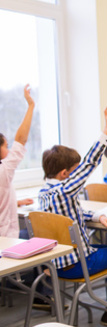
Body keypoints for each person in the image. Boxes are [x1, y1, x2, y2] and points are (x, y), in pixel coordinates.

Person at [38, 106, 107, 326]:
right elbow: (89, 163)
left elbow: (69, 214)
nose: (79, 174)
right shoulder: (65, 189)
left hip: (54, 264)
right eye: (74, 171)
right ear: (66, 174)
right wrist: (106, 129)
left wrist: (97, 216)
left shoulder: (45, 193)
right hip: (76, 263)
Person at [0, 84, 35, 238]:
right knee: (37, 232)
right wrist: (31, 106)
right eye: (6, 146)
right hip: (6, 238)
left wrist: (16, 202)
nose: (8, 151)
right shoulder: (3, 171)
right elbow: (21, 140)